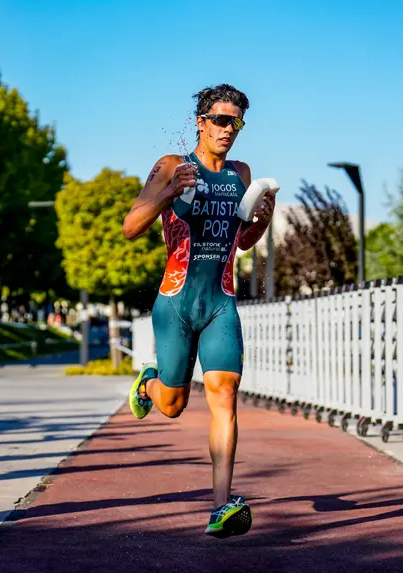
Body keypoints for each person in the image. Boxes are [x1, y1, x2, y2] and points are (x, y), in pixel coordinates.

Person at [122, 84, 275, 537]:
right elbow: (131, 227)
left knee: (225, 397)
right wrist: (169, 192)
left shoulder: (241, 174)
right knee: (172, 406)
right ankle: (150, 386)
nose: (229, 130)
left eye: (237, 123)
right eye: (222, 121)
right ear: (201, 122)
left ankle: (221, 506)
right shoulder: (173, 166)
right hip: (176, 304)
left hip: (220, 305)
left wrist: (263, 218)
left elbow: (244, 241)